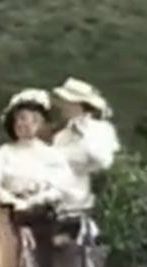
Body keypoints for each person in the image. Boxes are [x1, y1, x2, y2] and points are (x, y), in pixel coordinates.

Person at [0, 88, 84, 267]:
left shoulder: (50, 155)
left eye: (32, 120)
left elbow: (61, 186)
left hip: (41, 213)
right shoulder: (4, 153)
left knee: (51, 244)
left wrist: (35, 201)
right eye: (21, 119)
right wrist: (12, 201)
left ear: (40, 124)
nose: (26, 124)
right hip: (9, 211)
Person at [50, 78, 120, 215]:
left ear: (80, 105)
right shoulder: (63, 134)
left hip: (78, 203)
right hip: (55, 201)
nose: (63, 106)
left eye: (67, 102)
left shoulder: (101, 130)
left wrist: (84, 132)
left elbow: (103, 161)